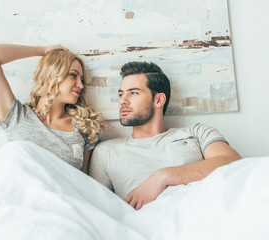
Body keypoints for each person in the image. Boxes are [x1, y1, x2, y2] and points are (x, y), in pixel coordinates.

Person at [89, 61, 241, 210]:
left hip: (202, 215)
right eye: (121, 94)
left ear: (159, 99)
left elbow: (232, 162)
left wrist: (162, 177)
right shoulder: (105, 152)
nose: (122, 101)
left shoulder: (196, 133)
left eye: (133, 93)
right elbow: (94, 207)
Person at [0, 44, 107, 173]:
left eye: (81, 79)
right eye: (73, 75)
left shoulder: (84, 126)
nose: (80, 85)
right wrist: (42, 51)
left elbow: (85, 183)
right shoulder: (17, 116)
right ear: (51, 76)